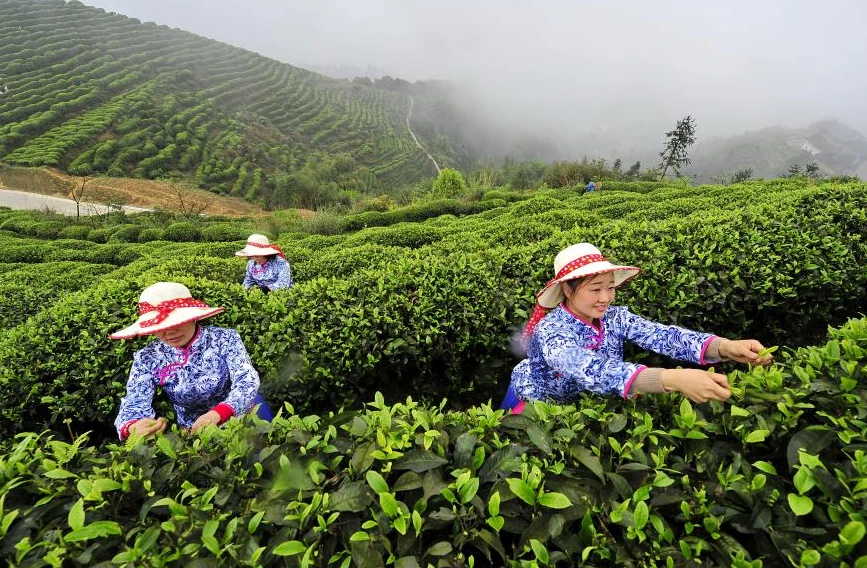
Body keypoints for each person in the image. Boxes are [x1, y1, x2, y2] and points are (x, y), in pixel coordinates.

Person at [500, 243, 773, 413]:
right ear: (568, 291)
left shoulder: (615, 317)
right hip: (540, 406)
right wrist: (672, 380)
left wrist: (724, 347)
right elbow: (585, 366)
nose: (605, 298)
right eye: (595, 289)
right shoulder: (552, 331)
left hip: (589, 405)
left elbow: (661, 335)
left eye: (610, 288)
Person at [111, 282, 273, 440]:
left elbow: (246, 379)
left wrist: (219, 413)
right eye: (159, 326)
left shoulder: (225, 338)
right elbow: (134, 402)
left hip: (241, 410)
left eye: (176, 322)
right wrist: (133, 426)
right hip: (193, 428)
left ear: (194, 317)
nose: (169, 332)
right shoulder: (147, 358)